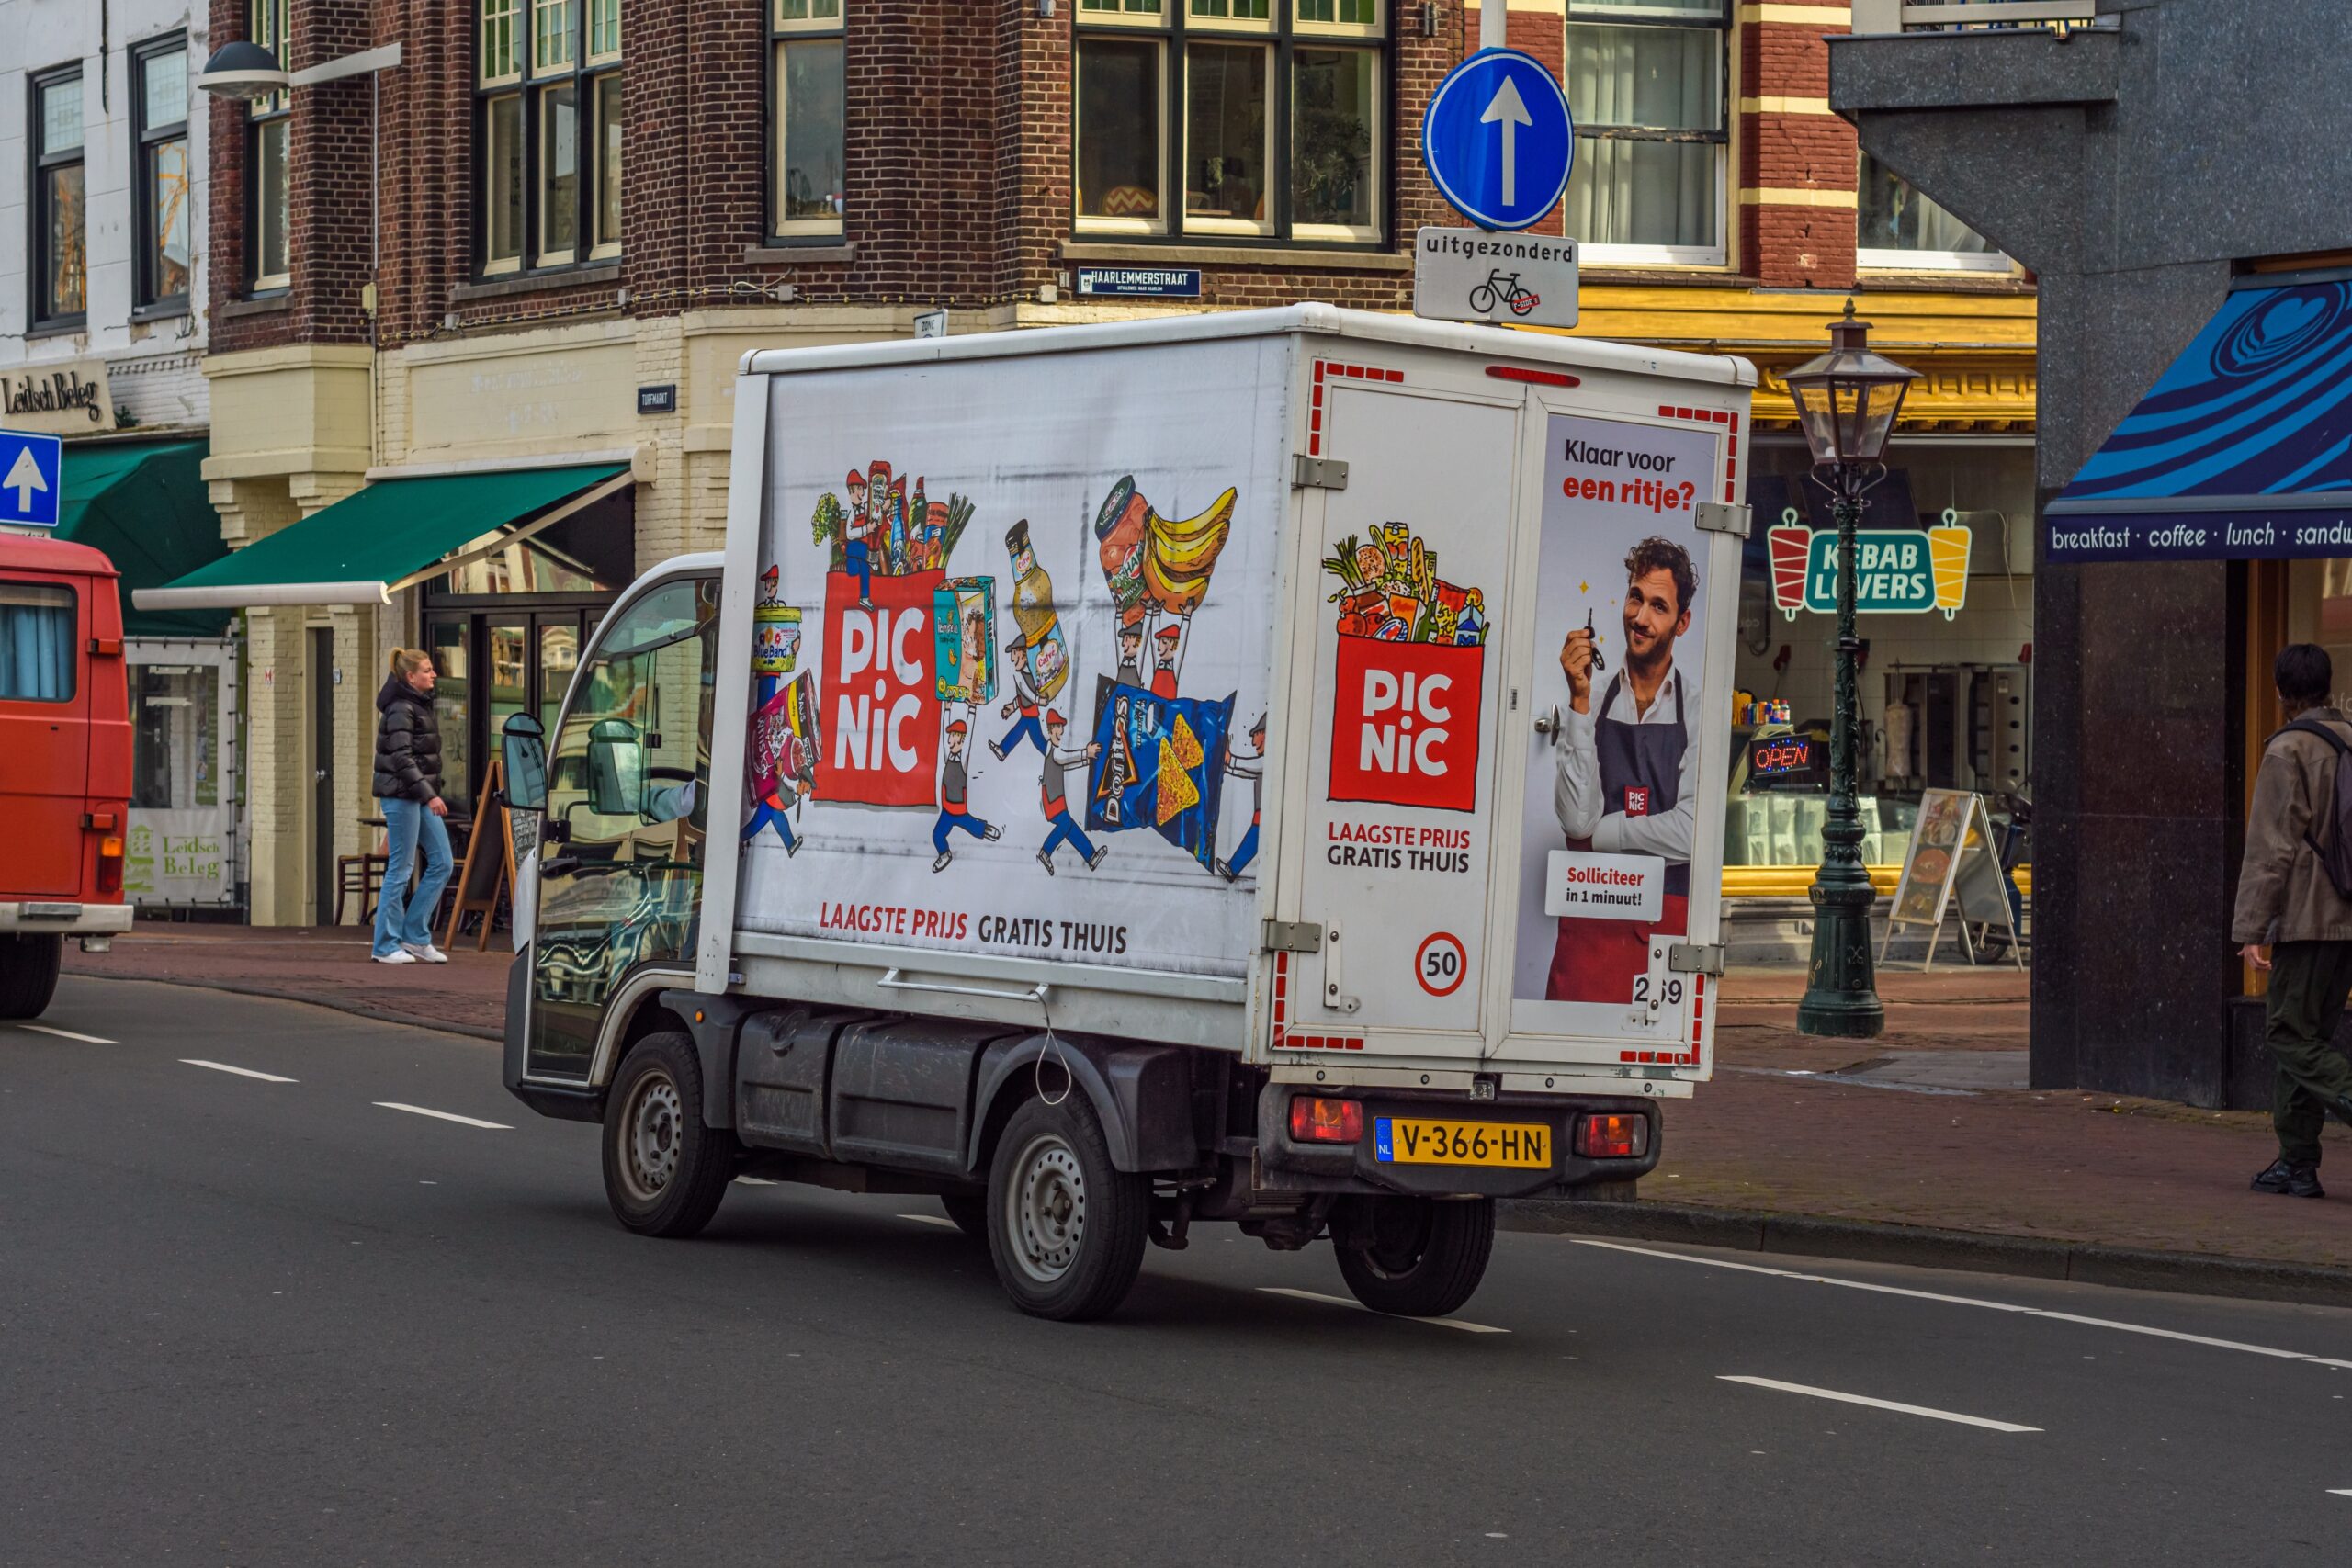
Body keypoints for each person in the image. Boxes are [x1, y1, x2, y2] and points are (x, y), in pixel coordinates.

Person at [1546, 536, 1698, 1003]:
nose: (1641, 618)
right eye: (1636, 597)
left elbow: (1691, 832)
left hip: (1661, 930)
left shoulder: (1696, 709)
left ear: (1682, 622)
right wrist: (1577, 700)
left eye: (1658, 606)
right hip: (1588, 926)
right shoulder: (1591, 703)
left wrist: (1603, 837)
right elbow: (1574, 820)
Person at [2233, 642, 2352, 1199]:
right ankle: (2296, 1161)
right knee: (2309, 1037)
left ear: (2281, 692)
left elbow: (2270, 847)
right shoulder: (2350, 738)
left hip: (2308, 918)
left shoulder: (2289, 750)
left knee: (2285, 1032)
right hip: (2348, 920)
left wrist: (2252, 929)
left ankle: (2307, 1146)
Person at [371, 648, 454, 965]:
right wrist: (430, 795)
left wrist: (427, 793)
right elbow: (402, 758)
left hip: (417, 795)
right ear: (410, 676)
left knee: (442, 862)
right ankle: (384, 945)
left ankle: (415, 937)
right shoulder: (401, 709)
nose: (433, 674)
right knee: (402, 867)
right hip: (401, 795)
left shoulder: (417, 705)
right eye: (427, 670)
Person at [1035, 710, 1106, 874]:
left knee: (1070, 828)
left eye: (1061, 727)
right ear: (1051, 729)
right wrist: (1085, 753)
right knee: (1066, 824)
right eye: (1058, 727)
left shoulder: (1053, 750)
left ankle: (1091, 857)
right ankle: (1045, 851)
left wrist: (1086, 760)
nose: (1061, 731)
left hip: (1056, 798)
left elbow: (1066, 766)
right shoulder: (1053, 749)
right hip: (1052, 799)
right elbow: (1064, 759)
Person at [931, 717, 1001, 872]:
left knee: (974, 827)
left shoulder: (963, 760)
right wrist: (947, 709)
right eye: (950, 736)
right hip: (947, 811)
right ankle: (945, 855)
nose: (949, 739)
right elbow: (943, 736)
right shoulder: (947, 757)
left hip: (959, 810)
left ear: (960, 739)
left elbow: (968, 740)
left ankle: (986, 829)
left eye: (953, 735)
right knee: (937, 835)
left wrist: (972, 711)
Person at [1216, 715, 1265, 883]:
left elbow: (1254, 767)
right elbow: (1248, 771)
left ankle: (1233, 868)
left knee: (1254, 838)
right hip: (1262, 813)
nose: (1253, 743)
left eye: (1255, 736)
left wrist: (1232, 761)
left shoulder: (1270, 760)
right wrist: (1228, 767)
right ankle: (1232, 868)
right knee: (1255, 839)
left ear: (1264, 733)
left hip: (1265, 813)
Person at [992, 637, 1046, 761]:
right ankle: (1003, 750)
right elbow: (1023, 695)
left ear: (1025, 655)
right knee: (1031, 736)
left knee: (1036, 739)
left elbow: (1027, 693)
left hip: (1030, 712)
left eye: (1015, 653)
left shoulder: (1027, 675)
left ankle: (1050, 755)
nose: (1012, 657)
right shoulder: (1020, 674)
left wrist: (1039, 700)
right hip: (1027, 712)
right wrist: (1011, 708)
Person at [843, 468, 875, 606]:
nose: (863, 493)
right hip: (854, 547)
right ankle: (871, 558)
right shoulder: (851, 512)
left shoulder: (864, 509)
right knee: (863, 551)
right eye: (861, 489)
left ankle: (864, 597)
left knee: (863, 567)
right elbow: (849, 534)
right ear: (853, 490)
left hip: (856, 559)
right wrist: (866, 529)